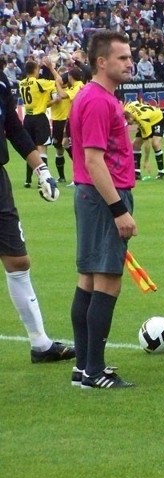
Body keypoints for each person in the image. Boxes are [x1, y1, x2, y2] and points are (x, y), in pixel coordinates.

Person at [67, 31, 137, 389]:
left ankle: (83, 367)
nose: (130, 63)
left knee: (89, 280)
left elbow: (74, 146)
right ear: (101, 62)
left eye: (129, 57)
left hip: (91, 196)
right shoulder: (98, 101)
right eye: (122, 58)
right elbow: (94, 161)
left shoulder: (94, 98)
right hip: (102, 197)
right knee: (106, 282)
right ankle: (93, 369)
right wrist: (118, 209)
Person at [0, 70, 74, 364]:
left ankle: (40, 345)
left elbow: (14, 130)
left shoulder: (2, 81)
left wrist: (41, 169)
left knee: (18, 261)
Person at [18, 58, 57, 188]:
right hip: (39, 118)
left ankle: (28, 180)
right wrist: (51, 68)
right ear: (35, 70)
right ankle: (43, 180)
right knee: (42, 149)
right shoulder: (40, 83)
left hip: (27, 119)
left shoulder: (22, 83)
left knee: (29, 149)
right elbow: (58, 81)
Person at [48, 67, 84, 183]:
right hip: (57, 121)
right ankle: (62, 177)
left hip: (68, 120)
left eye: (65, 76)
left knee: (71, 148)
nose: (63, 78)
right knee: (59, 149)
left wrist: (51, 69)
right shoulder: (53, 89)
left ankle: (79, 177)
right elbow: (46, 104)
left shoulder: (74, 87)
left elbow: (64, 95)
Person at [123, 100, 164, 180]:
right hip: (148, 118)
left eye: (128, 122)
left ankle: (161, 172)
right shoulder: (127, 108)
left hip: (159, 119)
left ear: (130, 117)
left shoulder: (142, 120)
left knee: (155, 144)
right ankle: (137, 173)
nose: (129, 124)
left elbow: (147, 143)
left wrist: (146, 160)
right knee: (135, 145)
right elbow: (136, 102)